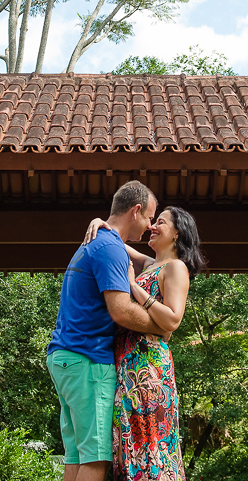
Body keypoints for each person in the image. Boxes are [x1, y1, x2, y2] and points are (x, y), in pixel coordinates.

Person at [47, 181, 163, 481]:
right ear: (136, 211)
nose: (150, 226)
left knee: (77, 457)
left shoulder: (97, 243)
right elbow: (120, 309)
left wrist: (112, 232)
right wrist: (159, 328)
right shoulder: (110, 249)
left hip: (65, 359)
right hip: (88, 362)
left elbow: (152, 263)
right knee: (97, 460)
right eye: (150, 217)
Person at [84, 205, 206, 481]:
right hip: (126, 363)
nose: (152, 226)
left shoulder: (176, 268)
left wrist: (134, 288)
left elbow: (173, 320)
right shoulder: (151, 265)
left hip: (149, 368)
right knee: (128, 440)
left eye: (160, 222)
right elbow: (116, 240)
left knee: (151, 441)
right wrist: (101, 222)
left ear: (177, 233)